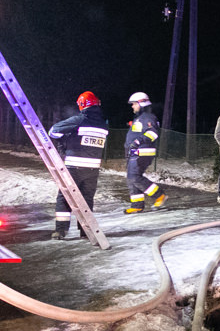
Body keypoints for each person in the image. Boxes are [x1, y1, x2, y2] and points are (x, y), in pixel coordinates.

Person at [47, 91, 109, 240]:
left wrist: (65, 138)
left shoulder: (79, 120)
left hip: (74, 167)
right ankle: (85, 231)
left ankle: (60, 231)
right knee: (87, 199)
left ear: (83, 104)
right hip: (93, 169)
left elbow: (53, 131)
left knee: (64, 197)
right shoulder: (103, 125)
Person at [124, 92, 167, 213]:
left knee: (134, 177)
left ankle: (159, 195)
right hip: (135, 152)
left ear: (141, 103)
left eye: (134, 104)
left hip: (142, 152)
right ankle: (137, 205)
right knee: (131, 178)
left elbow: (153, 133)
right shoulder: (140, 118)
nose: (132, 106)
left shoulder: (148, 117)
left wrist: (137, 141)